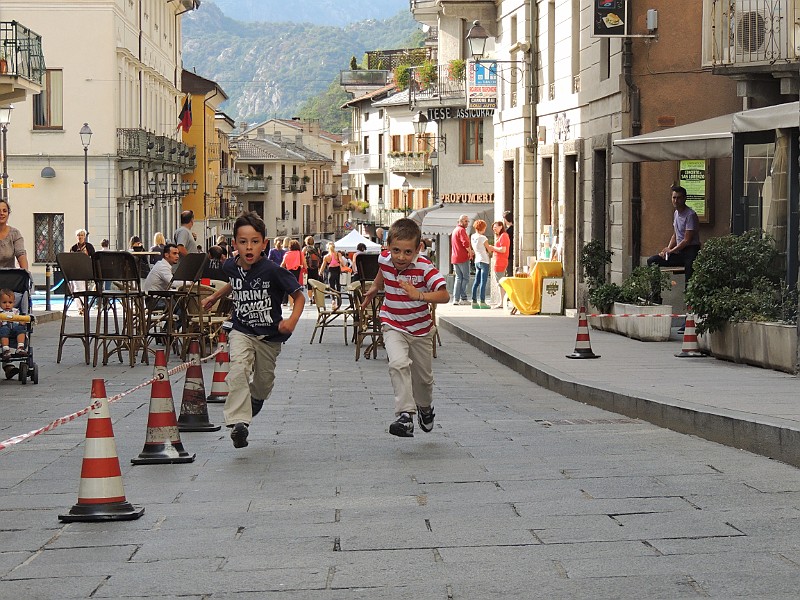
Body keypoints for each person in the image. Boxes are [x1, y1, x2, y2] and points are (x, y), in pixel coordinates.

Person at [201, 212, 305, 449]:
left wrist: (292, 321)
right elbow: (236, 283)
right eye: (243, 241)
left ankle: (255, 400)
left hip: (269, 337)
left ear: (264, 244)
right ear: (234, 243)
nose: (249, 247)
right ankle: (238, 423)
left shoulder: (272, 270)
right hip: (242, 330)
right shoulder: (230, 265)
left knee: (263, 382)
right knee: (237, 370)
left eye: (255, 242)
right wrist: (216, 296)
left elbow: (299, 296)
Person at [361, 218, 449, 438]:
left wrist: (419, 295)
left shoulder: (424, 267)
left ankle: (425, 408)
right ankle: (405, 415)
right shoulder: (385, 258)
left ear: (418, 248)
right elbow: (383, 270)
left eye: (407, 252)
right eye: (396, 250)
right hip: (393, 323)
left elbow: (444, 295)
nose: (401, 257)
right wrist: (374, 287)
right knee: (398, 363)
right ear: (388, 246)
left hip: (420, 330)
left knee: (424, 380)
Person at [646, 184, 702, 298]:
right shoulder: (676, 213)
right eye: (674, 198)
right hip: (679, 251)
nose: (676, 200)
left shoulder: (690, 215)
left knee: (689, 275)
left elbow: (687, 239)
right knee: (652, 261)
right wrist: (667, 250)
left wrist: (671, 251)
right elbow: (675, 234)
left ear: (684, 198)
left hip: (691, 251)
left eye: (679, 198)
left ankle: (690, 302)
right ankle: (656, 296)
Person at [70, 229, 95, 315]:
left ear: (84, 237)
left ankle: (84, 306)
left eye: (82, 235)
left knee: (85, 289)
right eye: (78, 235)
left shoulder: (89, 247)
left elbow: (94, 258)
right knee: (77, 289)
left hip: (87, 271)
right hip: (77, 271)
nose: (80, 237)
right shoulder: (73, 248)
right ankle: (80, 307)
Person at [450, 214, 473, 305]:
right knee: (465, 278)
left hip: (455, 257)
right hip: (462, 257)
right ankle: (463, 298)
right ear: (461, 221)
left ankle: (456, 299)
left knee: (459, 278)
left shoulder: (455, 230)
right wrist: (470, 252)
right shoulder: (461, 230)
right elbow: (465, 243)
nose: (467, 223)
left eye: (468, 221)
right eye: (466, 221)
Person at [470, 219, 492, 309]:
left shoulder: (473, 236)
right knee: (483, 282)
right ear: (483, 228)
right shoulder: (483, 238)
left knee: (476, 282)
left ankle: (474, 301)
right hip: (484, 260)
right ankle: (482, 302)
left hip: (477, 261)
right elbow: (489, 249)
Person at [0, 200, 28, 270]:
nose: (1, 213)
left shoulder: (15, 234)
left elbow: (21, 255)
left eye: (4, 211)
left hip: (9, 277)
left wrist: (26, 275)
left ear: (8, 214)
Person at [489, 221, 510, 308]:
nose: (494, 229)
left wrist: (493, 248)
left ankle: (502, 302)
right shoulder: (501, 236)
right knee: (499, 282)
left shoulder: (503, 236)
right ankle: (502, 301)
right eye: (493, 228)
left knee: (500, 282)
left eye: (496, 227)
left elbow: (503, 249)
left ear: (501, 226)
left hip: (500, 261)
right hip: (498, 261)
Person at [280, 239, 307, 307]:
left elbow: (283, 264)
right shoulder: (300, 253)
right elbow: (304, 264)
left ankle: (285, 301)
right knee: (295, 287)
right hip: (298, 271)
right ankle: (295, 301)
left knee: (287, 286)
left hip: (288, 271)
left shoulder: (287, 254)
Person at [0, 288, 26, 358]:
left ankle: (20, 347)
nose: (7, 305)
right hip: (4, 326)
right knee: (3, 330)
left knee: (21, 329)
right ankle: (5, 349)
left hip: (15, 326)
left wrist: (22, 321)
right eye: (4, 302)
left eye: (10, 302)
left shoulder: (16, 311)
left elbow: (20, 318)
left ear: (14, 303)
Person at [303, 236, 323, 303]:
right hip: (315, 268)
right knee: (315, 283)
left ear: (306, 242)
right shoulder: (317, 249)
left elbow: (302, 258)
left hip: (308, 268)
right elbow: (320, 259)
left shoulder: (305, 249)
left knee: (309, 284)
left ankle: (310, 299)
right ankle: (315, 297)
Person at [503, 210, 514, 276]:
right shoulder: (515, 229)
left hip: (508, 254)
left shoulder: (507, 231)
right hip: (513, 253)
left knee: (508, 273)